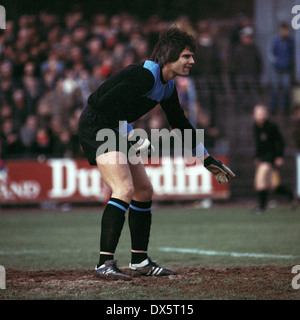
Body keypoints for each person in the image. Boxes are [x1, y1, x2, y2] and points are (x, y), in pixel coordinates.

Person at [78, 27, 235, 280]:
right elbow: (102, 104)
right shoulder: (145, 75)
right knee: (124, 189)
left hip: (115, 127)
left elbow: (180, 124)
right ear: (170, 55)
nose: (192, 61)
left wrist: (207, 160)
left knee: (144, 191)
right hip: (97, 125)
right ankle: (104, 263)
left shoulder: (168, 86)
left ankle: (140, 262)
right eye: (186, 56)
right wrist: (131, 133)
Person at [252, 104, 294, 214]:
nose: (260, 116)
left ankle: (261, 207)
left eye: (262, 113)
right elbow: (258, 144)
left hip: (270, 158)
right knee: (272, 185)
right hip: (263, 158)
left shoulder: (271, 127)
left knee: (260, 180)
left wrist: (279, 156)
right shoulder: (256, 127)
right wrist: (257, 156)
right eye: (258, 113)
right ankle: (292, 196)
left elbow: (280, 142)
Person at [268, 22, 294, 114]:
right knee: (275, 87)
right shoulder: (275, 40)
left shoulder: (290, 41)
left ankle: (284, 108)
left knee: (286, 87)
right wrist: (276, 61)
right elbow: (271, 54)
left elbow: (292, 54)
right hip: (277, 69)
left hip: (286, 69)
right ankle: (273, 108)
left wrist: (289, 62)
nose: (284, 32)